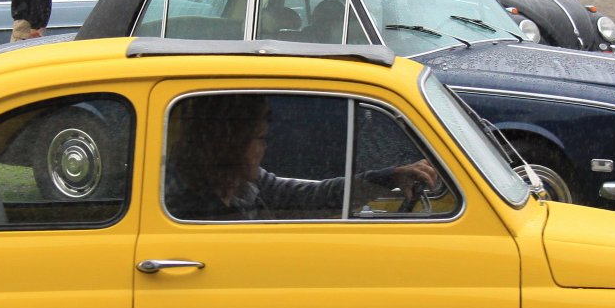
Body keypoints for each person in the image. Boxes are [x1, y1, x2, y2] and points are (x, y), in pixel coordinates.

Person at [163, 94, 440, 221]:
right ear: (229, 143)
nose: (264, 148)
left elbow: (316, 197)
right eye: (260, 138)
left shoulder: (244, 185)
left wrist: (390, 177)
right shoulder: (183, 203)